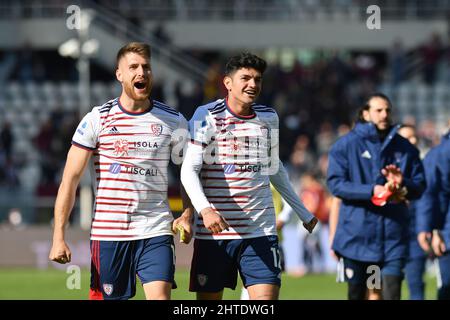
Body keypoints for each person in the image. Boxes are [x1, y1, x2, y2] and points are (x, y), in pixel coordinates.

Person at [48, 42, 192, 300]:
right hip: (109, 233)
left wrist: (187, 213)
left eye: (146, 67)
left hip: (156, 228)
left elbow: (188, 173)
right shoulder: (98, 119)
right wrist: (59, 236)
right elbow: (70, 180)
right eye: (133, 67)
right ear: (119, 74)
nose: (141, 73)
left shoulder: (174, 120)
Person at [180, 52, 318, 300]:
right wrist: (205, 210)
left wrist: (302, 212)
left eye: (257, 79)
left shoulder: (268, 117)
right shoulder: (206, 115)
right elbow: (189, 169)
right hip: (216, 231)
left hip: (261, 230)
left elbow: (274, 168)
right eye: (245, 78)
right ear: (227, 83)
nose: (253, 84)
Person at [327, 93, 426, 300]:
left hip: (392, 240)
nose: (384, 115)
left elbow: (420, 186)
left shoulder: (405, 148)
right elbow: (336, 184)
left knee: (390, 294)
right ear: (365, 113)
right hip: (358, 239)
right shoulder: (345, 146)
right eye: (379, 110)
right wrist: (371, 191)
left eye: (388, 110)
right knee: (358, 295)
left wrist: (402, 184)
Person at [417, 122, 450, 300]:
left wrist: (428, 228)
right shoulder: (439, 155)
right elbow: (430, 195)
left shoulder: (437, 154)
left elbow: (430, 195)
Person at [397, 124, 430, 300]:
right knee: (383, 287)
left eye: (414, 137)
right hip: (389, 239)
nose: (413, 141)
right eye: (407, 138)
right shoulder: (384, 168)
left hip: (415, 238)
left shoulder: (424, 168)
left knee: (416, 285)